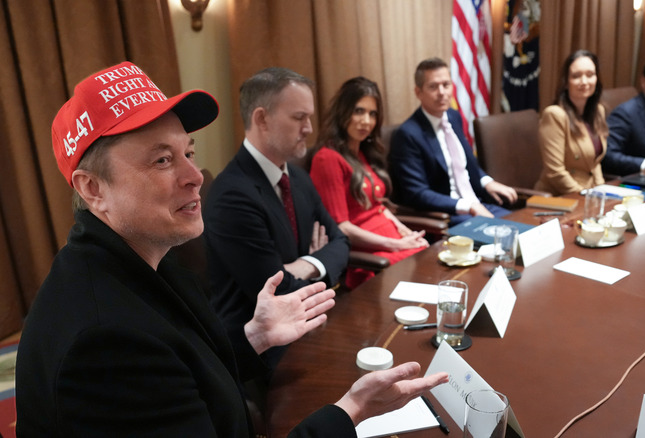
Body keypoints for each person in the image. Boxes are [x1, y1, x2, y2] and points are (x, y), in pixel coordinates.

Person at [15, 61, 448, 437]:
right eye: (162, 160)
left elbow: (188, 372)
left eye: (189, 151)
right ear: (93, 189)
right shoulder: (105, 345)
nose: (195, 175)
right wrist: (350, 412)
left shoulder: (146, 260)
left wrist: (253, 337)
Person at [203, 68, 350, 374]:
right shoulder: (232, 195)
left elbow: (340, 241)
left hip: (310, 325)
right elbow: (281, 295)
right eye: (299, 117)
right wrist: (319, 264)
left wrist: (306, 263)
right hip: (264, 353)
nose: (309, 128)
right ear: (262, 119)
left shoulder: (296, 176)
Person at [308, 77, 428, 289]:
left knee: (428, 255)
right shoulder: (327, 158)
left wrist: (405, 231)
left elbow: (377, 206)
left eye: (372, 114)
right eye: (359, 111)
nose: (367, 121)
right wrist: (395, 244)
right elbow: (341, 228)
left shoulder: (362, 152)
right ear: (343, 112)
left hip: (390, 242)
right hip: (368, 256)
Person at [389, 57, 519, 226]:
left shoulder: (453, 116)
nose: (442, 92)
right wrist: (468, 206)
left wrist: (488, 182)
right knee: (508, 240)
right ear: (418, 92)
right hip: (449, 215)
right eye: (433, 87)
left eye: (446, 84)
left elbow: (464, 164)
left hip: (479, 203)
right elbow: (417, 193)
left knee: (528, 232)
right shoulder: (408, 134)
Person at [534, 50, 608, 195]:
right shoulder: (555, 115)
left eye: (590, 75)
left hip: (590, 194)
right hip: (559, 197)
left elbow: (595, 163)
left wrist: (602, 192)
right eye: (576, 76)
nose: (584, 81)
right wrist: (584, 197)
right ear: (566, 82)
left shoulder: (598, 111)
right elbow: (555, 172)